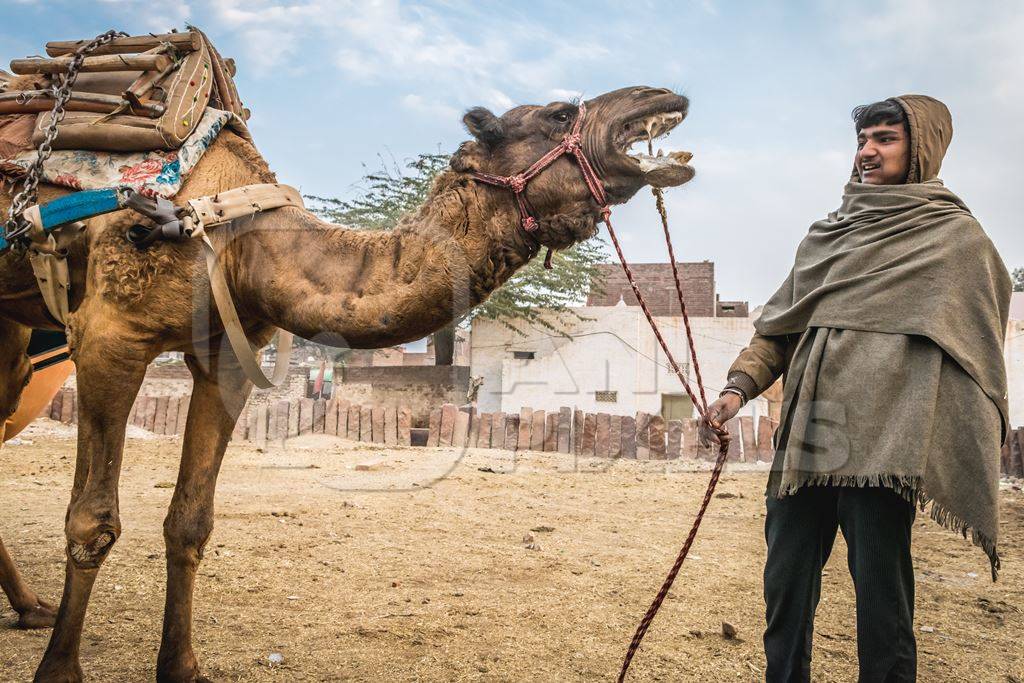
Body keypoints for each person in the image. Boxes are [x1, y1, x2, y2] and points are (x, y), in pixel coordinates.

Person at [699, 95, 1011, 683]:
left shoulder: (956, 241)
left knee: (882, 595)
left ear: (921, 147)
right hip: (812, 436)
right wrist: (738, 389)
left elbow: (976, 349)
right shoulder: (828, 235)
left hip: (888, 443)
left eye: (885, 139)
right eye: (863, 140)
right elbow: (779, 329)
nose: (867, 151)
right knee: (785, 585)